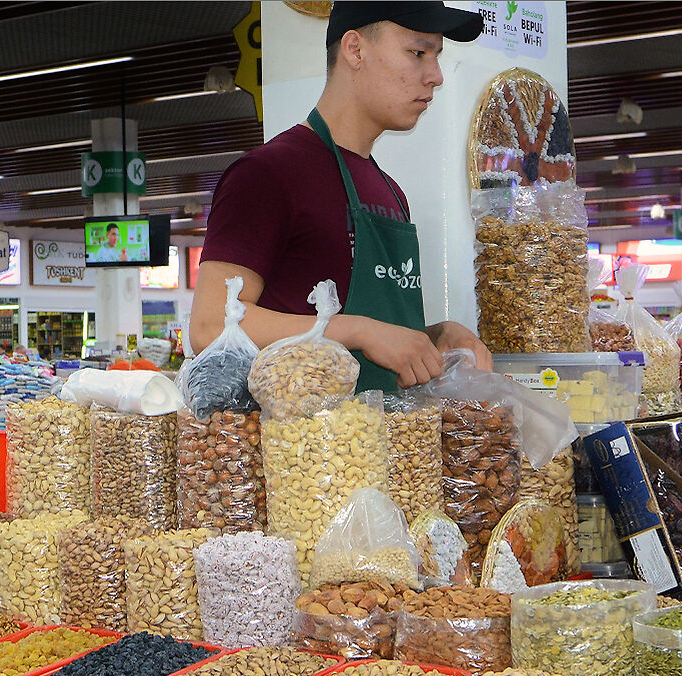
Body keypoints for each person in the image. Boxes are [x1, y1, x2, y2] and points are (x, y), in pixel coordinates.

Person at [190, 0, 490, 389]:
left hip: (392, 442)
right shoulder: (268, 174)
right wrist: (359, 331)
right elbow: (210, 326)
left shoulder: (391, 193)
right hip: (305, 445)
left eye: (437, 56)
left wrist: (434, 337)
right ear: (355, 49)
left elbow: (380, 345)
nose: (435, 76)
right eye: (417, 53)